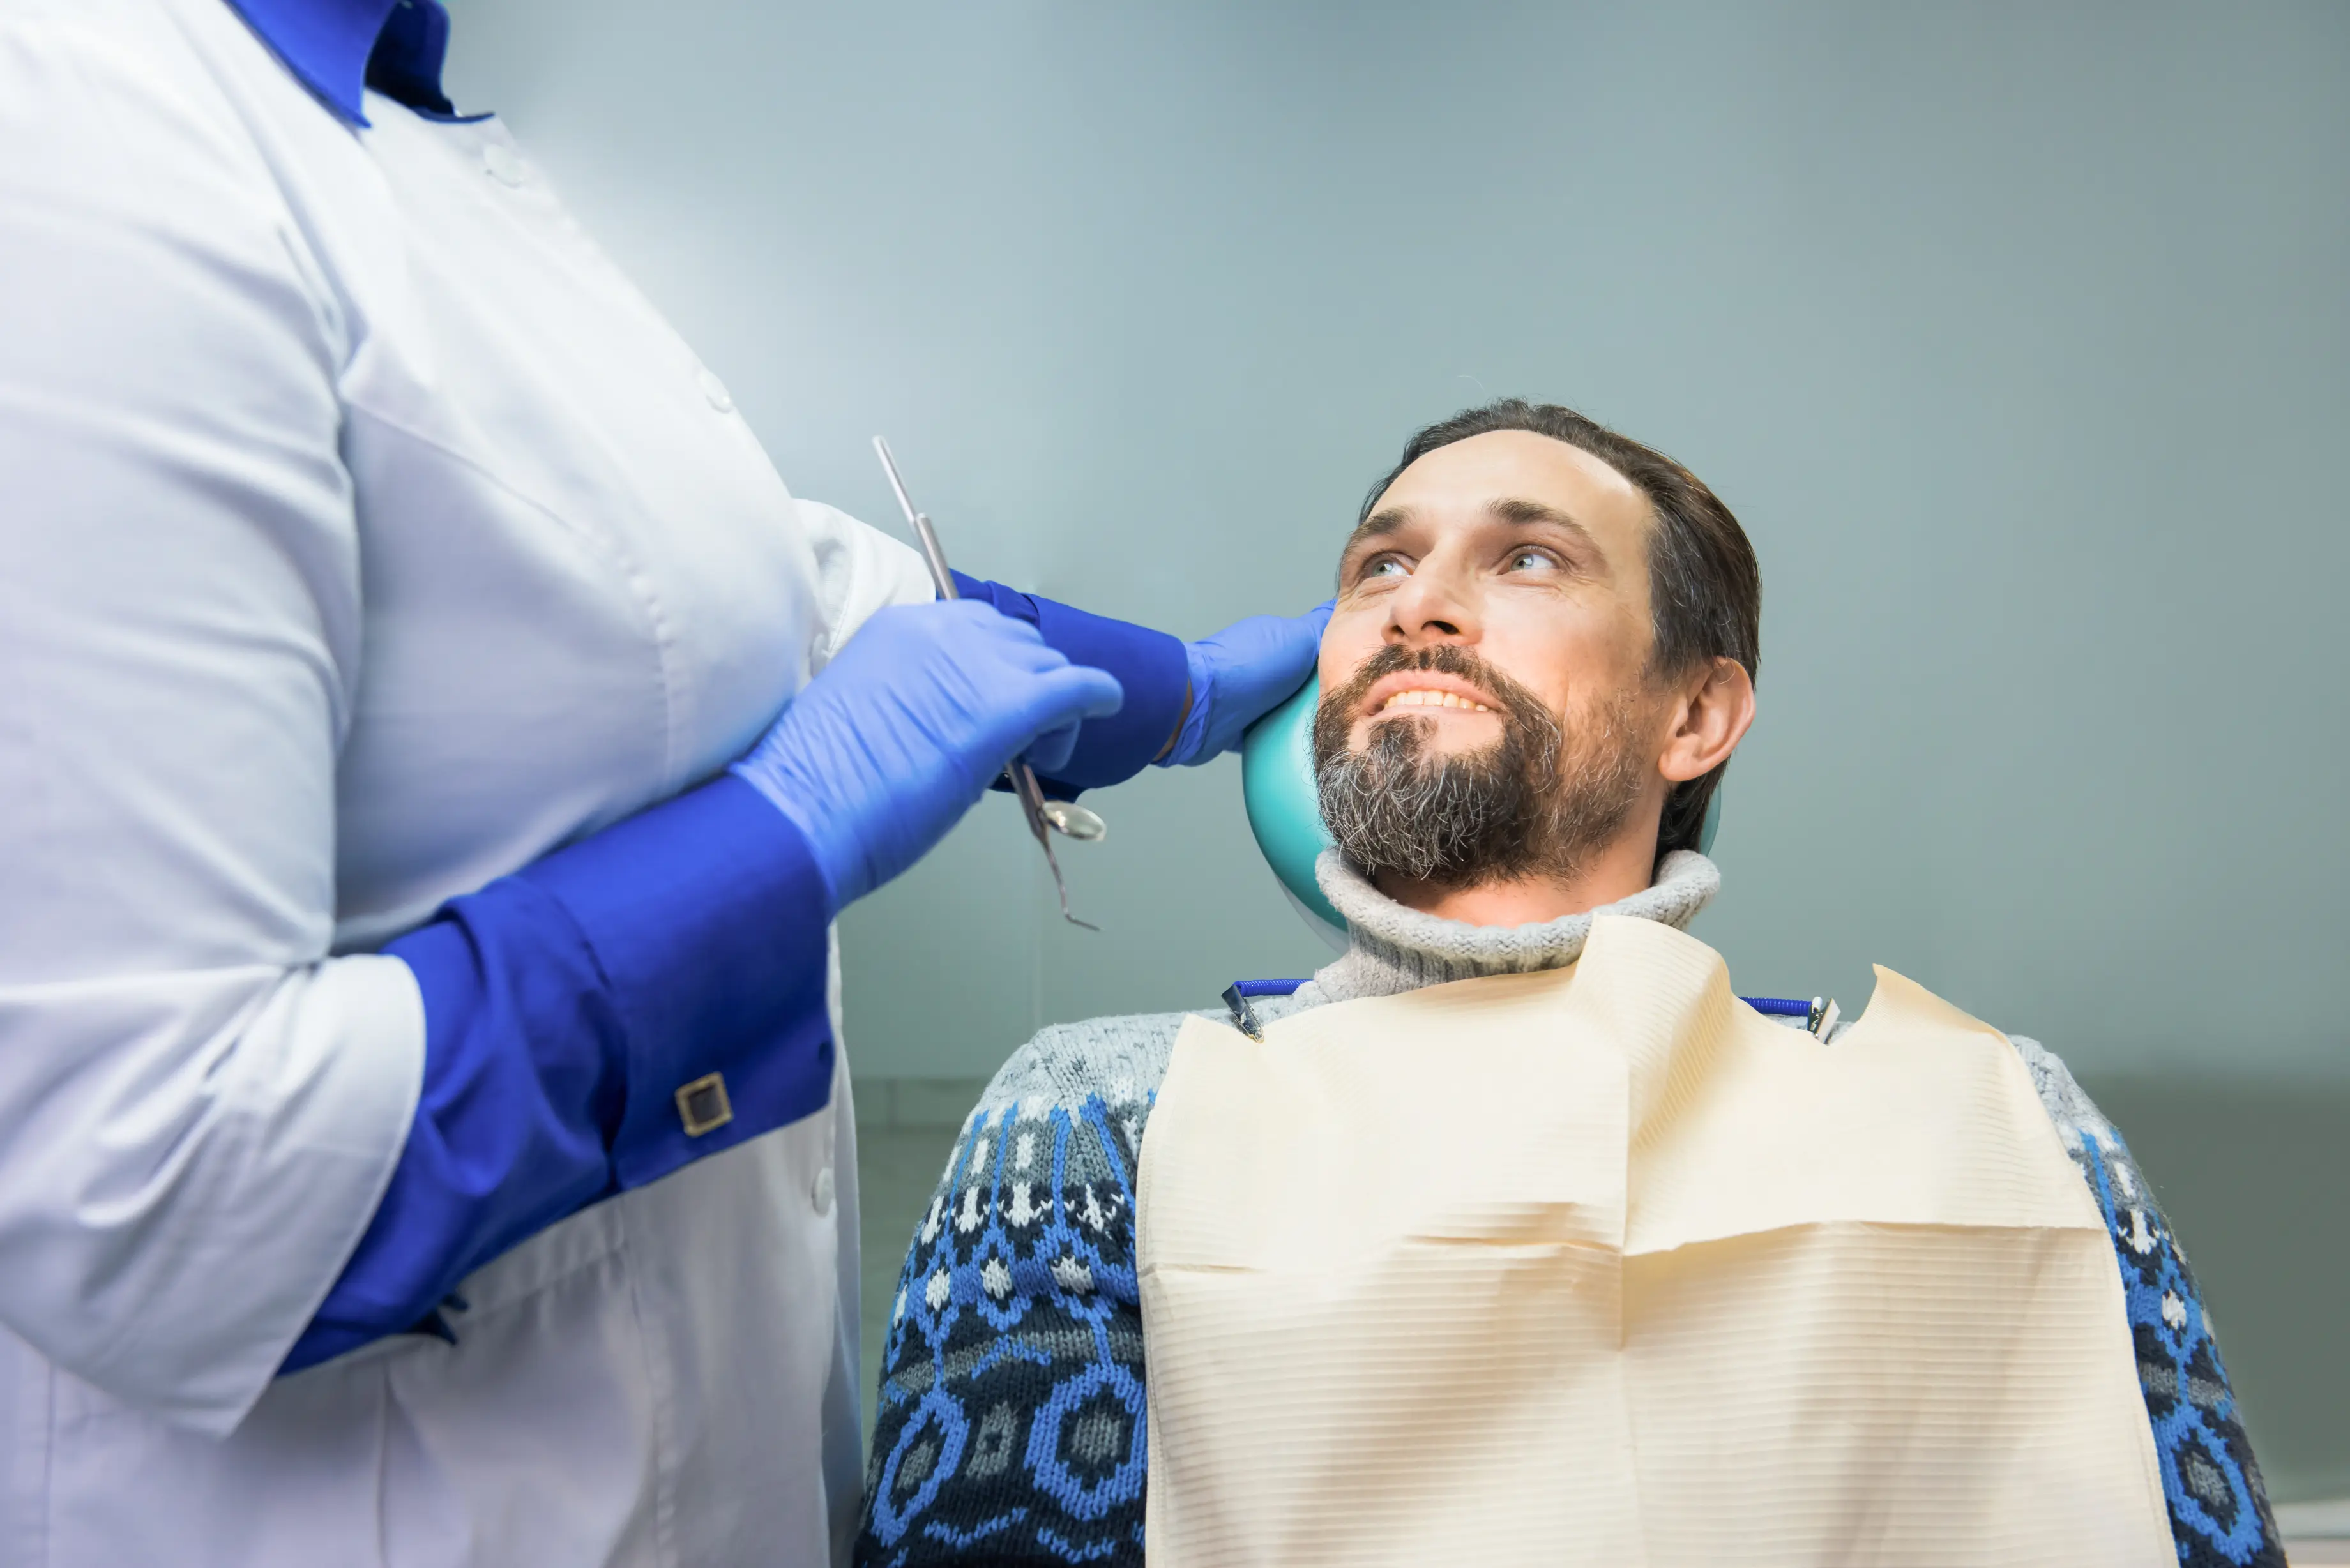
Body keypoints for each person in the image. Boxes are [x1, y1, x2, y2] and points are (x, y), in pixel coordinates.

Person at [0, 1, 1328, 1563]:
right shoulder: (82, 133)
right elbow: (145, 1183)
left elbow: (748, 593)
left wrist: (1165, 690)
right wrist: (770, 852)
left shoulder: (399, 128)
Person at [855, 400, 2285, 1567]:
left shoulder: (2008, 1122)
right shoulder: (1099, 1117)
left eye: (1527, 559)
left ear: (1697, 712)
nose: (1420, 607)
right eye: (1378, 568)